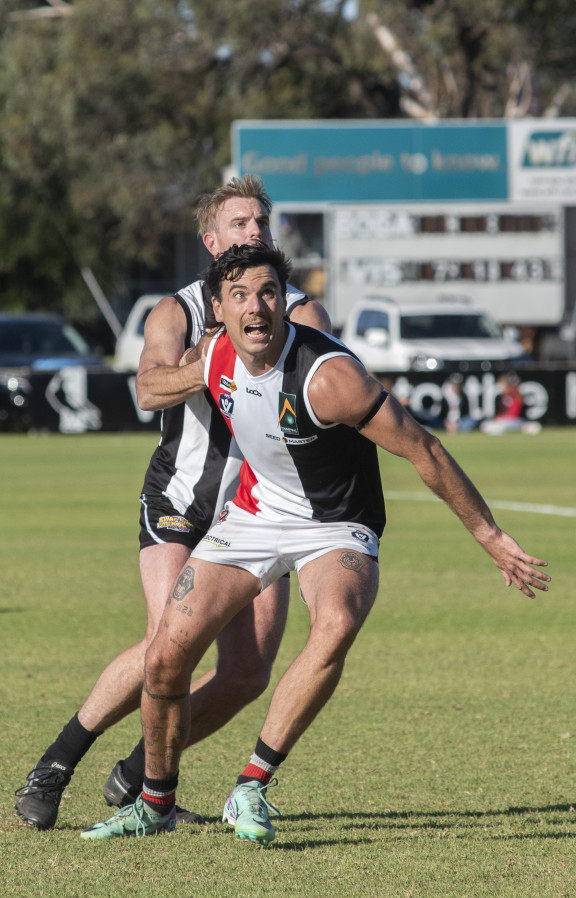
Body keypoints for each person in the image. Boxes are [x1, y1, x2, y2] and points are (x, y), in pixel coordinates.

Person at [80, 243, 550, 843]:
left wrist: (490, 535)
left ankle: (251, 785)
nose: (256, 307)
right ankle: (154, 804)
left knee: (336, 622)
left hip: (336, 523)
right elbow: (156, 388)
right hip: (255, 514)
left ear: (284, 301)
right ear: (218, 310)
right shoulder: (214, 355)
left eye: (268, 292)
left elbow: (424, 449)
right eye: (240, 295)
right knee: (165, 658)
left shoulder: (330, 378)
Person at [14, 176, 331, 831]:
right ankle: (55, 765)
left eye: (261, 222)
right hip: (182, 502)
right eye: (239, 223)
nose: (253, 231)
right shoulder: (175, 311)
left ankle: (139, 775)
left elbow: (320, 393)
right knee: (169, 642)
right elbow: (147, 390)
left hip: (264, 511)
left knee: (247, 672)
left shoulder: (302, 313)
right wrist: (209, 360)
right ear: (211, 242)